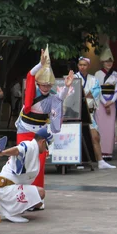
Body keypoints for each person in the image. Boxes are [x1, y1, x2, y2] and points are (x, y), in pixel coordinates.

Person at [15, 46, 74, 191]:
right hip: (24, 129)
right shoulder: (31, 92)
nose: (46, 87)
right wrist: (41, 65)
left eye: (49, 85)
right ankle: (21, 194)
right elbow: (30, 75)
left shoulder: (52, 96)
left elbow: (60, 98)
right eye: (43, 84)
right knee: (22, 161)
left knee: (39, 164)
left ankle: (37, 194)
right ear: (38, 83)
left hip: (39, 133)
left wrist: (66, 87)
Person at [0, 127, 50, 223]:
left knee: (38, 202)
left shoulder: (33, 149)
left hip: (6, 189)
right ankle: (11, 213)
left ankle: (14, 209)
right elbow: (18, 149)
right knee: (41, 193)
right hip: (5, 189)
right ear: (42, 142)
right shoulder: (29, 146)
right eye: (46, 146)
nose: (45, 150)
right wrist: (4, 152)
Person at [77, 57, 115, 169]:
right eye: (80, 64)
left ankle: (100, 161)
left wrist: (85, 94)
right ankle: (79, 161)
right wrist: (86, 94)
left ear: (88, 66)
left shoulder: (93, 79)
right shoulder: (74, 78)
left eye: (84, 65)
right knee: (78, 136)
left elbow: (96, 91)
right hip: (77, 112)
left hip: (88, 111)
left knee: (95, 136)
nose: (82, 67)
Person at [94, 48, 117, 161]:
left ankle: (108, 151)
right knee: (100, 127)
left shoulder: (116, 75)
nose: (109, 64)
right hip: (101, 103)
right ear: (102, 62)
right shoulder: (98, 74)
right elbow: (96, 89)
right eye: (107, 62)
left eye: (110, 62)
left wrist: (112, 101)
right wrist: (104, 102)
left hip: (111, 102)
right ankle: (100, 151)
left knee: (110, 128)